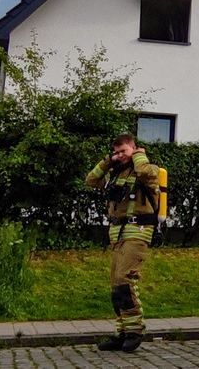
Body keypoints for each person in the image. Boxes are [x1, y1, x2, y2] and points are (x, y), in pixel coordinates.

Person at [85, 133, 160, 353]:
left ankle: (135, 330)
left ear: (134, 149)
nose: (120, 156)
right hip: (118, 232)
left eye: (123, 151)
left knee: (125, 279)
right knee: (116, 285)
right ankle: (122, 332)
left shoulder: (148, 168)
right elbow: (91, 180)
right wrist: (109, 161)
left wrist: (138, 156)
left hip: (138, 231)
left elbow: (146, 173)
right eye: (116, 152)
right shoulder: (116, 172)